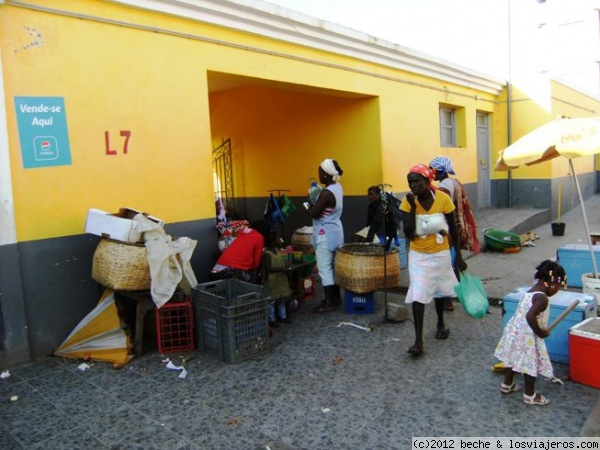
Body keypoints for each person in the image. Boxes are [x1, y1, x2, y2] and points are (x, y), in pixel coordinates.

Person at [400, 164, 467, 356]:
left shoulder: (443, 199)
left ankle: (440, 323)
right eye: (410, 182)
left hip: (441, 254)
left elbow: (453, 228)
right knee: (418, 293)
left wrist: (459, 257)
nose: (413, 186)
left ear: (428, 182)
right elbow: (408, 232)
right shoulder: (407, 202)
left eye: (417, 182)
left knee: (439, 291)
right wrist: (413, 208)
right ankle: (418, 341)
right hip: (418, 255)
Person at [494, 260, 567, 406]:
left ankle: (507, 384)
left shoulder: (530, 291)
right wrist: (540, 332)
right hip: (527, 336)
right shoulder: (542, 298)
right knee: (529, 365)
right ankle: (530, 395)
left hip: (514, 332)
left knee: (512, 359)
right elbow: (530, 316)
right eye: (559, 287)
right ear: (552, 283)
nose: (557, 291)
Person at [429, 156, 480, 311]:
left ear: (440, 170)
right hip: (455, 227)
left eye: (433, 170)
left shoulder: (444, 186)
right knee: (453, 263)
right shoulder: (454, 182)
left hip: (447, 230)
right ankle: (452, 295)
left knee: (447, 265)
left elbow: (441, 207)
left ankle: (447, 299)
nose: (431, 173)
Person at [306, 158, 344, 313]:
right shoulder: (338, 187)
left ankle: (329, 303)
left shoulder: (327, 193)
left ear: (327, 175)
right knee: (332, 267)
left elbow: (314, 213)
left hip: (324, 234)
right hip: (335, 231)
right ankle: (336, 298)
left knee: (324, 268)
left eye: (321, 172)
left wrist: (308, 205)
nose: (319, 175)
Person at [209, 219, 271, 284]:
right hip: (232, 273)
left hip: (216, 271)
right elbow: (256, 263)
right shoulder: (259, 237)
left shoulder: (243, 232)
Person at [261, 229, 293, 328]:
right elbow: (268, 268)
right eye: (277, 238)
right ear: (273, 241)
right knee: (272, 301)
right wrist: (282, 269)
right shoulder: (267, 254)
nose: (280, 240)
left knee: (281, 299)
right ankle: (272, 319)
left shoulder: (278, 251)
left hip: (280, 279)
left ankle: (282, 316)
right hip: (272, 280)